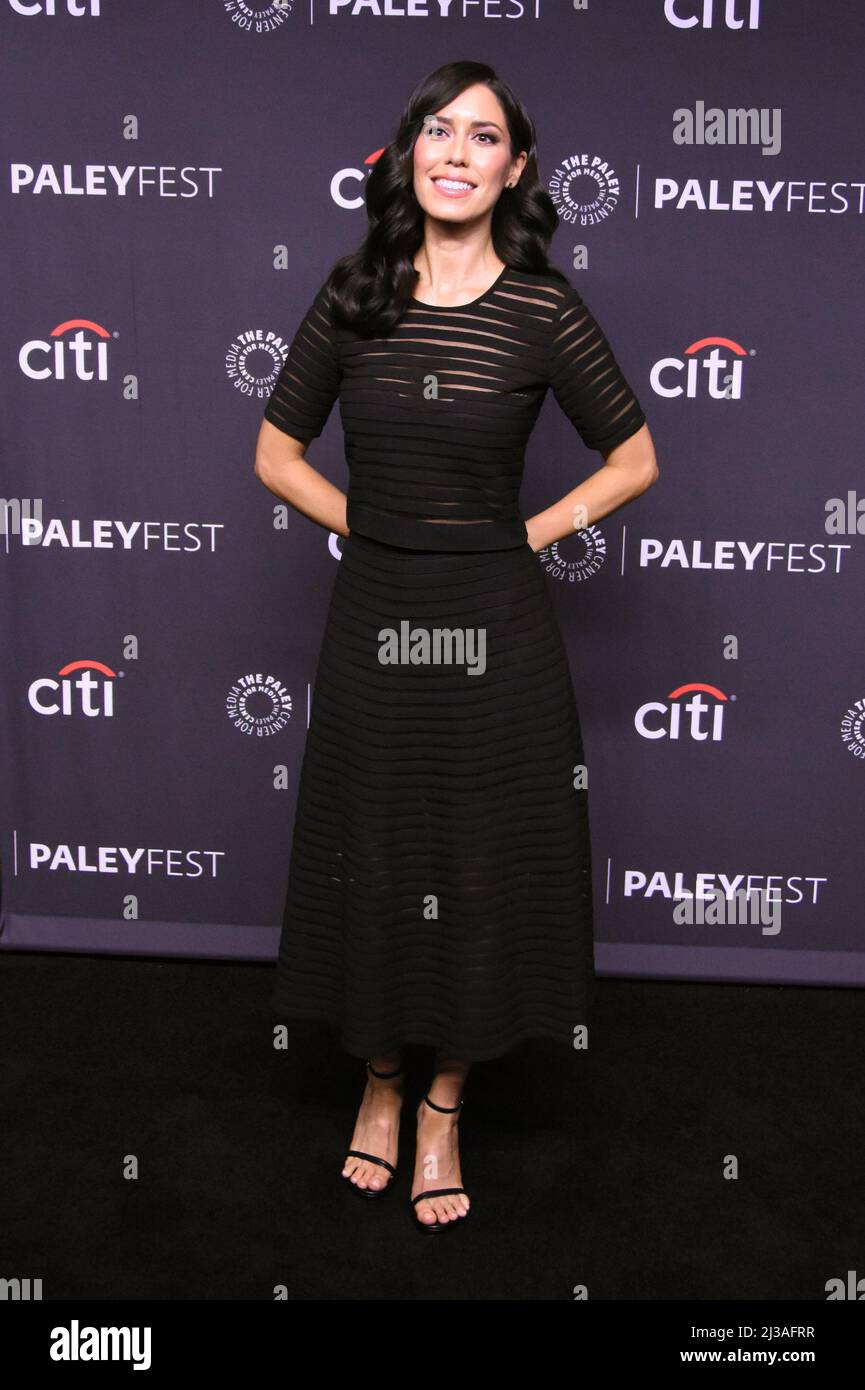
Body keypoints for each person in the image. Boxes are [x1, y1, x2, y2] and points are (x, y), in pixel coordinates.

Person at [254, 60, 658, 1233]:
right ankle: (377, 1083)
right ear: (408, 153)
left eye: (482, 136)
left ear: (513, 168)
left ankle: (442, 1104)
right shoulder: (354, 293)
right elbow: (275, 453)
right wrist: (371, 529)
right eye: (438, 129)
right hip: (378, 615)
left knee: (480, 857)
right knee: (374, 847)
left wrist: (525, 533)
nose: (456, 151)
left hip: (497, 626)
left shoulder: (542, 308)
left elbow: (633, 458)